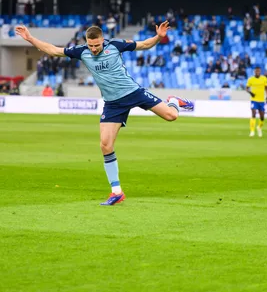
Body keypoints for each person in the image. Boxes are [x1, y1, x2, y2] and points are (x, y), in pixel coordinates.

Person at [15, 22, 194, 206]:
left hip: (133, 93)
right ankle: (116, 191)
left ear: (102, 40)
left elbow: (144, 45)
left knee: (172, 116)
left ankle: (174, 101)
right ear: (87, 42)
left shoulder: (116, 45)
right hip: (112, 104)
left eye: (97, 45)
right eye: (90, 45)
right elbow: (53, 51)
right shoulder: (81, 51)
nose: (93, 49)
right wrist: (30, 38)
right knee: (105, 145)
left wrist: (158, 37)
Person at [246, 66, 267, 137]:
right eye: (256, 71)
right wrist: (250, 93)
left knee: (262, 117)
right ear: (254, 72)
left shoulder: (264, 79)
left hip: (261, 100)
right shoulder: (251, 79)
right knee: (253, 113)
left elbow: (266, 88)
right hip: (254, 100)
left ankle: (259, 127)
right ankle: (252, 131)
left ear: (260, 71)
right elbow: (246, 88)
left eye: (258, 71)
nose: (257, 72)